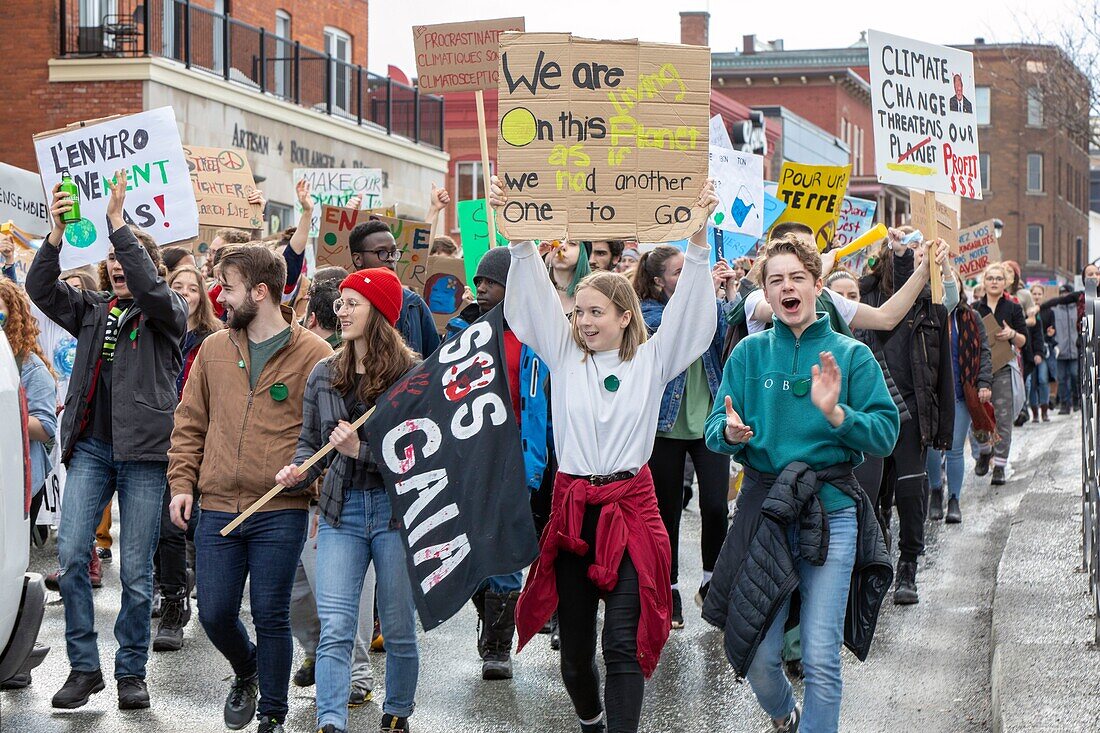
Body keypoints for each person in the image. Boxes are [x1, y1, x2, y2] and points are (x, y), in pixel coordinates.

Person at [496, 176, 720, 733]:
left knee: (621, 643)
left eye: (597, 312)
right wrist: (521, 239)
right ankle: (592, 721)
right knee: (574, 656)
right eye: (580, 312)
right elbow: (534, 305)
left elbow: (692, 318)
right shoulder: (563, 354)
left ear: (625, 317)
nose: (586, 322)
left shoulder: (652, 359)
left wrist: (696, 244)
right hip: (575, 510)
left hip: (631, 507)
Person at [703, 234, 899, 733]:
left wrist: (837, 412)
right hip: (763, 510)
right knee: (760, 656)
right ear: (765, 293)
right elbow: (712, 429)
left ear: (816, 285)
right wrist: (729, 432)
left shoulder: (850, 355)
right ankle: (785, 714)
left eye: (797, 278)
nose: (787, 288)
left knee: (820, 654)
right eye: (776, 280)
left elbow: (885, 433)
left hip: (831, 510)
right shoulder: (747, 354)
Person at [27, 170, 187, 711]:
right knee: (71, 557)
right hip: (93, 450)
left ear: (148, 271)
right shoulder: (92, 309)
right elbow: (40, 289)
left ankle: (130, 673)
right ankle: (84, 668)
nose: (119, 265)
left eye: (129, 258)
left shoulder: (167, 314)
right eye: (114, 258)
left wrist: (119, 223)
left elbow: (149, 283)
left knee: (137, 573)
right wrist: (55, 232)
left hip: (144, 456)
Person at [168, 245, 332, 733]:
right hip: (217, 504)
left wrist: (314, 484)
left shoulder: (315, 354)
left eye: (229, 287)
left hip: (280, 507)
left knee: (270, 613)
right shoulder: (214, 349)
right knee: (215, 612)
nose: (218, 296)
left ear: (260, 293)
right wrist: (182, 483)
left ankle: (273, 716)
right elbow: (189, 422)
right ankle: (248, 669)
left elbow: (328, 433)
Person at [276, 267, 420, 733]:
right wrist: (297, 471)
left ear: (379, 311)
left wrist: (363, 451)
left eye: (352, 302)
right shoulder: (323, 373)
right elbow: (310, 444)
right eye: (340, 302)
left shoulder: (412, 376)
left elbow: (420, 455)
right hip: (341, 510)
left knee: (397, 628)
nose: (341, 310)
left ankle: (397, 712)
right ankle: (330, 721)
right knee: (336, 627)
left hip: (397, 514)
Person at [443, 246, 551, 680]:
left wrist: (536, 463)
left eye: (490, 281)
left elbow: (542, 407)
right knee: (472, 552)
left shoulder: (534, 336)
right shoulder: (459, 332)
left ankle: (497, 646)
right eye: (479, 281)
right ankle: (489, 616)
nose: (480, 287)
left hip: (515, 458)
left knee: (505, 551)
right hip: (470, 458)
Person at [636, 245, 731, 626]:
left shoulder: (704, 300)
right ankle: (669, 588)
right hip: (664, 425)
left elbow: (721, 333)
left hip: (708, 419)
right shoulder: (647, 311)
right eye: (678, 274)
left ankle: (712, 582)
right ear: (658, 281)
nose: (685, 278)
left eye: (686, 271)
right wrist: (700, 290)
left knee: (715, 506)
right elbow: (672, 330)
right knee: (666, 511)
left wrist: (722, 296)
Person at [859, 228, 954, 605]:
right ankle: (876, 552)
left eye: (919, 254)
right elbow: (888, 307)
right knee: (872, 493)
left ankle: (908, 565)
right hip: (869, 411)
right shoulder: (865, 298)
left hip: (911, 413)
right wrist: (898, 253)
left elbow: (942, 371)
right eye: (904, 254)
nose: (914, 258)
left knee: (911, 492)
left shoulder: (932, 308)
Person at [925, 276, 994, 525]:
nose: (945, 283)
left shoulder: (970, 317)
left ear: (960, 286)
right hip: (932, 393)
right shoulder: (927, 314)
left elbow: (984, 350)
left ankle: (954, 499)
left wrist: (984, 383)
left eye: (950, 279)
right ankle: (935, 490)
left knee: (955, 448)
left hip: (961, 392)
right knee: (932, 448)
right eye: (940, 279)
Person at [347, 219, 439, 357]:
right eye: (381, 252)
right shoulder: (343, 306)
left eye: (393, 252)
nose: (390, 259)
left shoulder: (413, 304)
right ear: (358, 259)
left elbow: (434, 360)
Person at [973, 264, 1027, 485]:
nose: (994, 282)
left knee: (1004, 419)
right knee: (978, 416)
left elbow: (1023, 340)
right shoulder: (974, 308)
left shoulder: (1013, 308)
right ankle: (985, 450)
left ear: (1005, 283)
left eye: (998, 278)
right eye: (990, 278)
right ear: (984, 282)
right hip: (980, 370)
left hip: (1004, 368)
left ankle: (1000, 466)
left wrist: (1012, 333)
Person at [1024, 283, 1050, 422]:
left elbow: (1039, 336)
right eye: (1034, 293)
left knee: (1043, 379)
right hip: (1028, 353)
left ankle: (1044, 410)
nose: (1037, 296)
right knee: (1032, 383)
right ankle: (1034, 412)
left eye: (1039, 294)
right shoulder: (1026, 310)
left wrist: (1039, 353)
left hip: (1042, 352)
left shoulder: (1045, 311)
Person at [545, 240, 592, 313]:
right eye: (558, 241)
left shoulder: (592, 293)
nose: (562, 247)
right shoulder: (535, 286)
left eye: (572, 244)